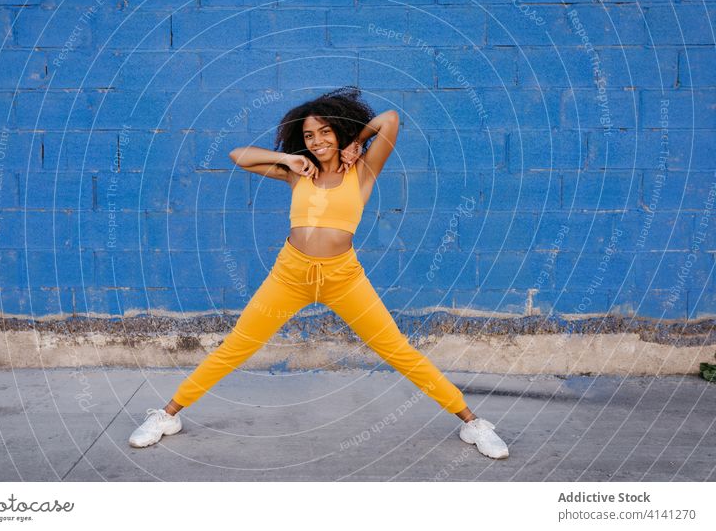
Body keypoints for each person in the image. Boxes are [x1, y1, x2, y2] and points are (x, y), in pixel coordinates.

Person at [129, 86, 509, 460]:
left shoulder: (362, 170)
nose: (317, 141)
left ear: (339, 130)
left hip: (343, 278)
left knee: (397, 350)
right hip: (289, 275)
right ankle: (167, 416)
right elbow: (238, 155)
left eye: (325, 131)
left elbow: (390, 120)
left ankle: (472, 422)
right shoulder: (299, 174)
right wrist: (290, 160)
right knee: (236, 347)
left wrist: (357, 141)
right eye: (309, 135)